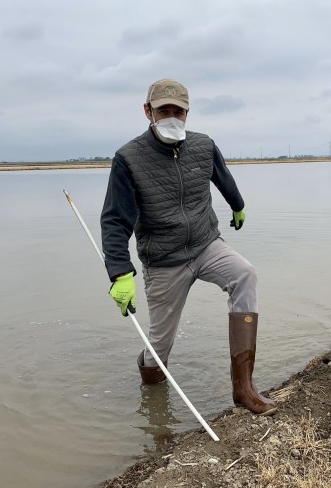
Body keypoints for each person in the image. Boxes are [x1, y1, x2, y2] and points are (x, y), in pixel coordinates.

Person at [100, 78, 276, 415]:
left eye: (177, 111)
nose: (171, 116)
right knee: (160, 346)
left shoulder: (203, 145)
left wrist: (237, 205)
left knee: (245, 274)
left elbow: (222, 176)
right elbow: (114, 219)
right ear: (147, 111)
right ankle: (152, 391)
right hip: (164, 260)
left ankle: (244, 388)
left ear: (187, 113)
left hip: (206, 244)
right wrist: (120, 272)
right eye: (163, 110)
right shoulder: (128, 159)